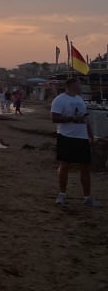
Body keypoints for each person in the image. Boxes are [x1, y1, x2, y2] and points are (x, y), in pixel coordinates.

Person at [51, 77, 98, 206]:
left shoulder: (79, 99)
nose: (81, 87)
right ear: (71, 85)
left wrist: (91, 136)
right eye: (79, 84)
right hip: (66, 136)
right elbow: (54, 118)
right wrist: (72, 118)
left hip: (82, 138)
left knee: (85, 167)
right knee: (64, 165)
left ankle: (87, 197)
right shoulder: (60, 99)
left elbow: (85, 119)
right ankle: (62, 195)